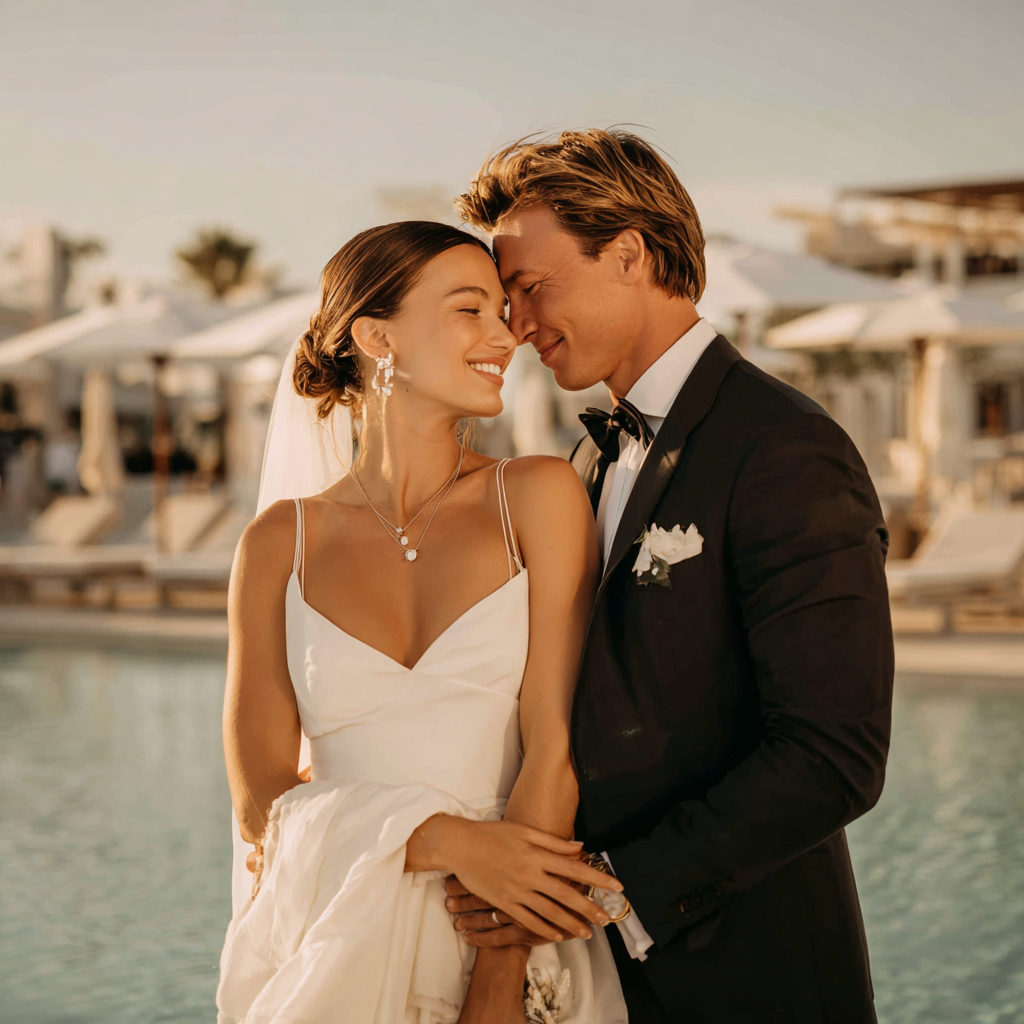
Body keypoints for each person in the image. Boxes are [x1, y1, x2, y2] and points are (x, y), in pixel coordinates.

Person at [446, 129, 895, 1023]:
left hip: (750, 978)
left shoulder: (786, 447)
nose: (518, 325)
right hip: (598, 991)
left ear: (630, 254)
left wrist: (608, 894)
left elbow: (834, 755)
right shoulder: (579, 460)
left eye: (531, 288)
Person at [216, 221, 629, 1023]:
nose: (506, 335)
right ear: (377, 337)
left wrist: (499, 977)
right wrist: (449, 841)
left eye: (503, 311)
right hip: (334, 943)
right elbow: (261, 802)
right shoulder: (278, 544)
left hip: (507, 927)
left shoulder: (537, 496)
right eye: (470, 310)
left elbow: (554, 747)